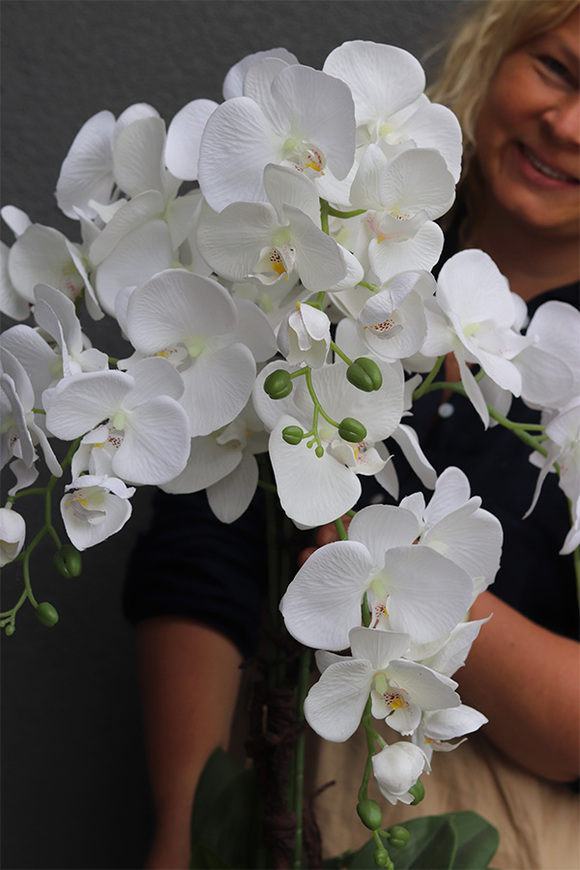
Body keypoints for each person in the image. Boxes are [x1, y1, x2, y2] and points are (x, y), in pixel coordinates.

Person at [124, 2, 580, 867]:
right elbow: (201, 540)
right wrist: (186, 823)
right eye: (555, 69)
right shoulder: (325, 269)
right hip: (265, 792)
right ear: (495, 54)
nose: (567, 124)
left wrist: (390, 581)